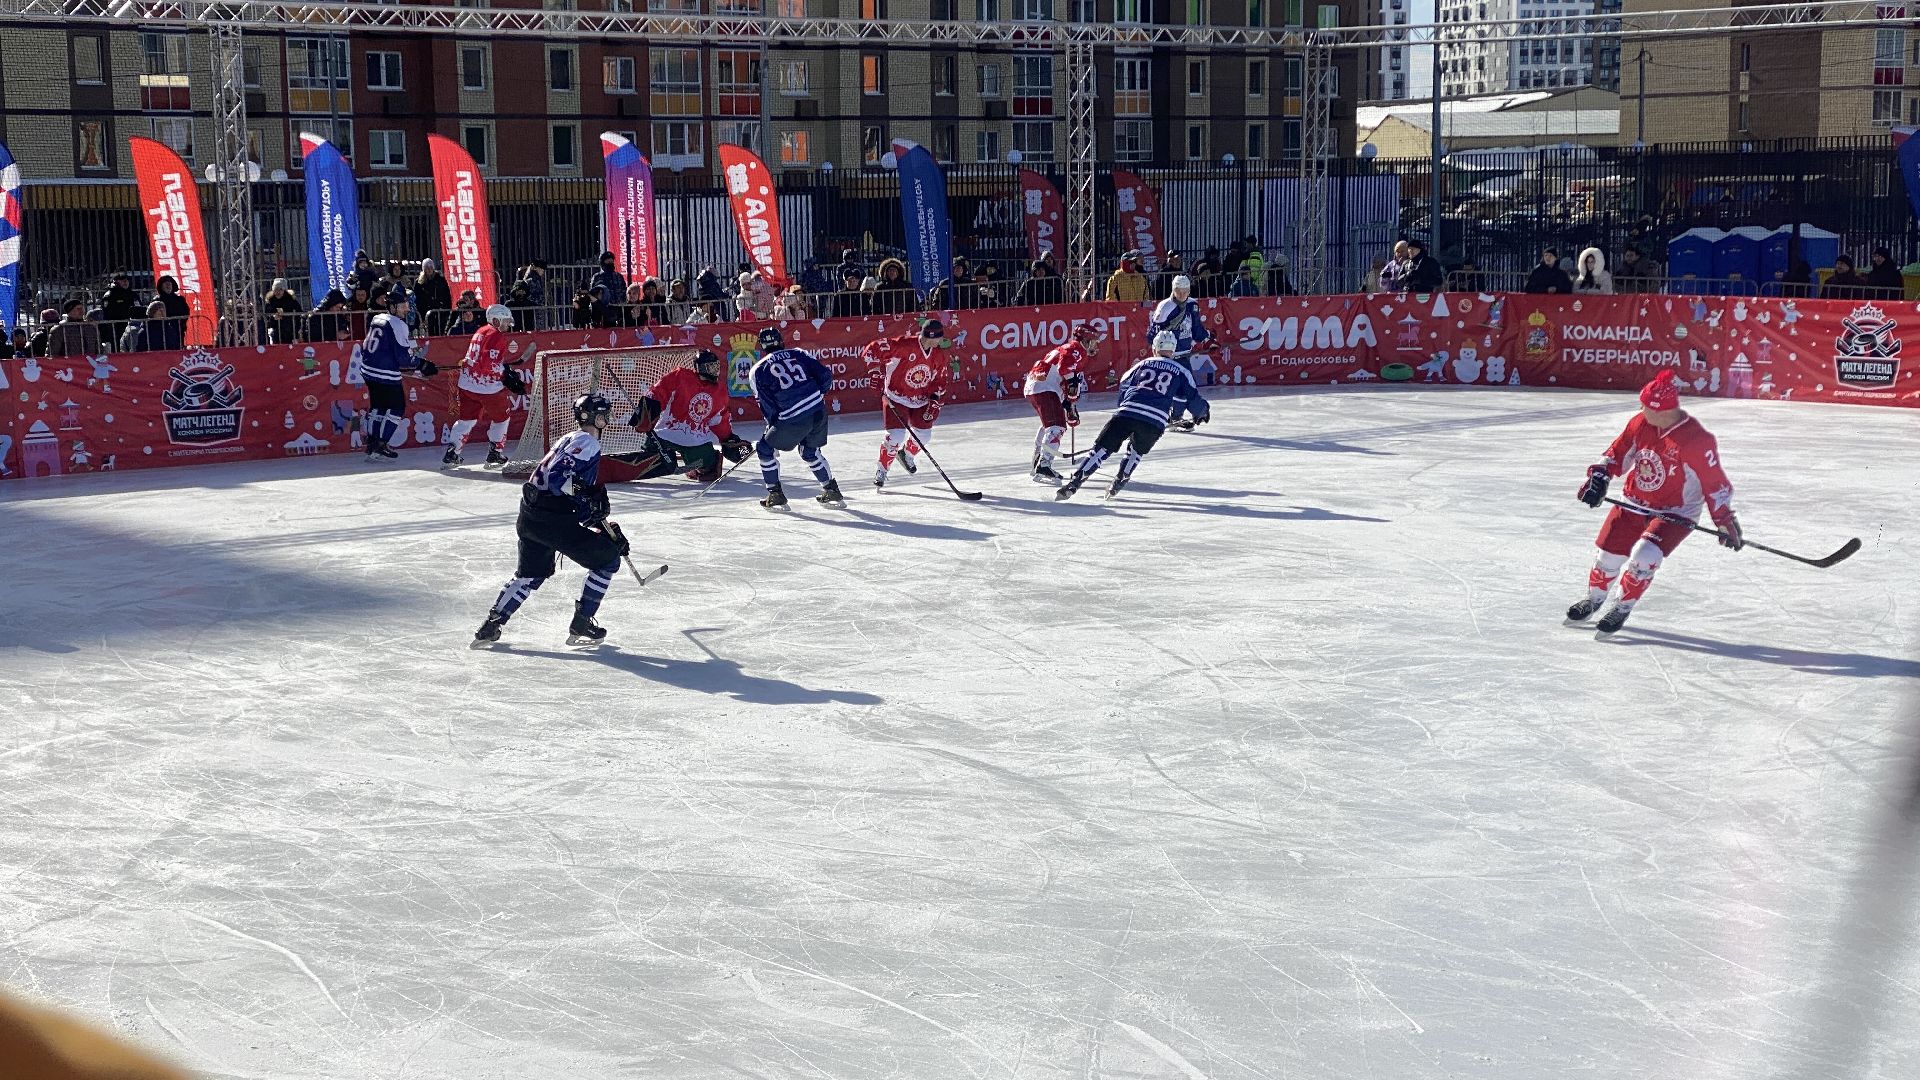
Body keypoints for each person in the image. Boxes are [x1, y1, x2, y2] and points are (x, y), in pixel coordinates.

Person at [1568, 369, 1741, 634]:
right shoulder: (1640, 423)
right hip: (1634, 501)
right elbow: (1618, 452)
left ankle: (1622, 607)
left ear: (1661, 410)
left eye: (1646, 405)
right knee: (1607, 557)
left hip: (1676, 511)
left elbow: (1714, 483)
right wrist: (1599, 477)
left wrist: (1724, 521)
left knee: (1645, 555)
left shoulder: (1696, 439)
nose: (1641, 409)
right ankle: (1593, 600)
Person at [472, 392, 626, 648]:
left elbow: (570, 490)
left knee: (530, 575)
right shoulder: (588, 442)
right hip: (553, 520)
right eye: (602, 414)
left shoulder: (568, 438)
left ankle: (491, 625)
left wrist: (603, 525)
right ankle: (582, 621)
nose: (605, 418)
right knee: (608, 561)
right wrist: (588, 498)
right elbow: (558, 479)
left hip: (531, 516)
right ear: (592, 417)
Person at [1055, 330, 1208, 502]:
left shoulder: (1141, 364)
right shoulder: (1181, 370)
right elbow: (1192, 397)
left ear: (1154, 348)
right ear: (1173, 350)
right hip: (1154, 421)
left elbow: (1124, 384)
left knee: (1100, 450)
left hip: (1127, 412)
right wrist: (1202, 413)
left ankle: (1073, 483)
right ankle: (1118, 484)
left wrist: (1124, 407)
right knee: (1135, 452)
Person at [619, 349, 753, 482]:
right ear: (700, 368)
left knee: (711, 467)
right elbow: (659, 391)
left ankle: (694, 469)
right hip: (666, 433)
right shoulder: (681, 376)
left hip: (695, 439)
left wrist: (727, 438)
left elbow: (719, 419)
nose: (715, 370)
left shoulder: (719, 391)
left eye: (716, 366)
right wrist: (647, 408)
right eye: (710, 367)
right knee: (648, 459)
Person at [748, 326, 844, 510]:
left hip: (792, 418)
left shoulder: (757, 370)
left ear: (762, 346)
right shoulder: (798, 353)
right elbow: (825, 376)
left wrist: (772, 425)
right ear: (781, 340)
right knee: (809, 452)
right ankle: (831, 489)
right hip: (818, 410)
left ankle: (775, 494)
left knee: (764, 449)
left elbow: (767, 404)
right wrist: (816, 396)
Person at [861, 318, 953, 489]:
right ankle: (882, 470)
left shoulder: (938, 355)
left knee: (924, 436)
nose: (941, 341)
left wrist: (935, 398)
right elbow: (871, 349)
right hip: (896, 397)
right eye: (939, 337)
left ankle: (906, 455)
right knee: (895, 436)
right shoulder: (903, 345)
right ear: (931, 336)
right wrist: (874, 370)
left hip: (921, 399)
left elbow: (940, 379)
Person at [358, 287, 435, 462]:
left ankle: (372, 445)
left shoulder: (377, 318)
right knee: (397, 407)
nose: (406, 309)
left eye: (406, 305)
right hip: (385, 373)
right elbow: (403, 358)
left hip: (368, 370)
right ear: (392, 307)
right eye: (402, 305)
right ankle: (382, 443)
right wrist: (422, 364)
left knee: (378, 407)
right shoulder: (398, 325)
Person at [443, 304, 520, 468]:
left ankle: (452, 453)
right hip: (487, 388)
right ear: (496, 320)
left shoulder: (481, 330)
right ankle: (495, 454)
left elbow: (481, 359)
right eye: (505, 321)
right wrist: (503, 375)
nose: (507, 324)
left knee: (466, 420)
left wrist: (503, 367)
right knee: (502, 418)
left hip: (466, 384)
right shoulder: (496, 335)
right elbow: (487, 365)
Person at [1025, 322, 1102, 483]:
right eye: (1093, 341)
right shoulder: (1075, 348)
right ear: (1085, 339)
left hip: (1040, 385)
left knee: (1049, 425)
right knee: (1056, 427)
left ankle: (1037, 462)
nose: (1095, 345)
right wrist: (1073, 386)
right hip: (1044, 386)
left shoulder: (1073, 350)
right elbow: (1065, 369)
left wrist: (1069, 405)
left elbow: (1067, 381)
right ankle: (1044, 466)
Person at [1148, 274, 1214, 429]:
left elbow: (1197, 329)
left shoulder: (1193, 305)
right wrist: (1160, 352)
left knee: (1184, 388)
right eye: (1179, 290)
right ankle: (1184, 414)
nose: (1182, 294)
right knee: (1182, 388)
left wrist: (1207, 341)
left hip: (1184, 355)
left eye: (1185, 290)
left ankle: (1176, 417)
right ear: (1173, 289)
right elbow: (1152, 334)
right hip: (1169, 357)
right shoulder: (1165, 307)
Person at [414, 257, 453, 336]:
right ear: (423, 269)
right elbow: (417, 299)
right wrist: (421, 315)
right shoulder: (419, 282)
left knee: (441, 332)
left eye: (431, 267)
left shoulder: (440, 280)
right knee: (429, 333)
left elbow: (447, 295)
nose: (429, 269)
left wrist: (447, 310)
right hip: (426, 313)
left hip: (440, 312)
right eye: (427, 267)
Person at [151, 275, 191, 350]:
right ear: (161, 287)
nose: (168, 286)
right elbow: (152, 314)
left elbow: (186, 312)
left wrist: (180, 323)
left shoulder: (179, 299)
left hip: (178, 329)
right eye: (165, 284)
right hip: (162, 331)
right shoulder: (157, 300)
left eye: (169, 284)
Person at [101, 270, 137, 348]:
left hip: (131, 326)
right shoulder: (110, 295)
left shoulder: (132, 294)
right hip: (116, 328)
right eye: (122, 280)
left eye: (126, 280)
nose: (125, 282)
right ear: (116, 282)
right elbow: (107, 314)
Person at [263, 279, 303, 343]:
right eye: (275, 289)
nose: (278, 292)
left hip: (290, 329)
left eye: (280, 289)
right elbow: (266, 314)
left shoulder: (291, 299)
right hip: (276, 329)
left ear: (284, 290)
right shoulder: (270, 300)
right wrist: (272, 317)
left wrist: (298, 328)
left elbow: (299, 312)